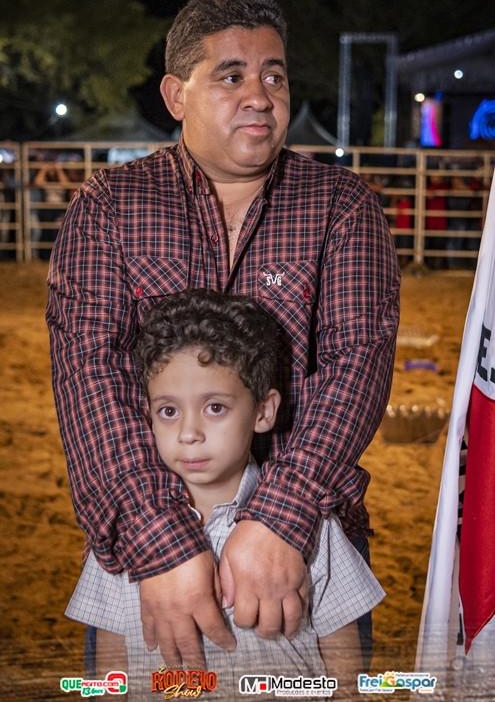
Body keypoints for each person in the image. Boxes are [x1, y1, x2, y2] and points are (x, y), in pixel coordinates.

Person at [46, 0, 400, 674]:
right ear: (176, 95)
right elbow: (89, 373)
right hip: (147, 537)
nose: (260, 96)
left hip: (309, 542)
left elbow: (358, 363)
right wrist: (159, 542)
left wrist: (280, 519)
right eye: (231, 76)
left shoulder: (341, 205)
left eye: (274, 75)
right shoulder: (109, 208)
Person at [65, 289, 385, 700]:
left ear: (264, 411)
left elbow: (346, 678)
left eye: (215, 407)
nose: (189, 433)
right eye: (168, 410)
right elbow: (110, 678)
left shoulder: (316, 529)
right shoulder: (122, 535)